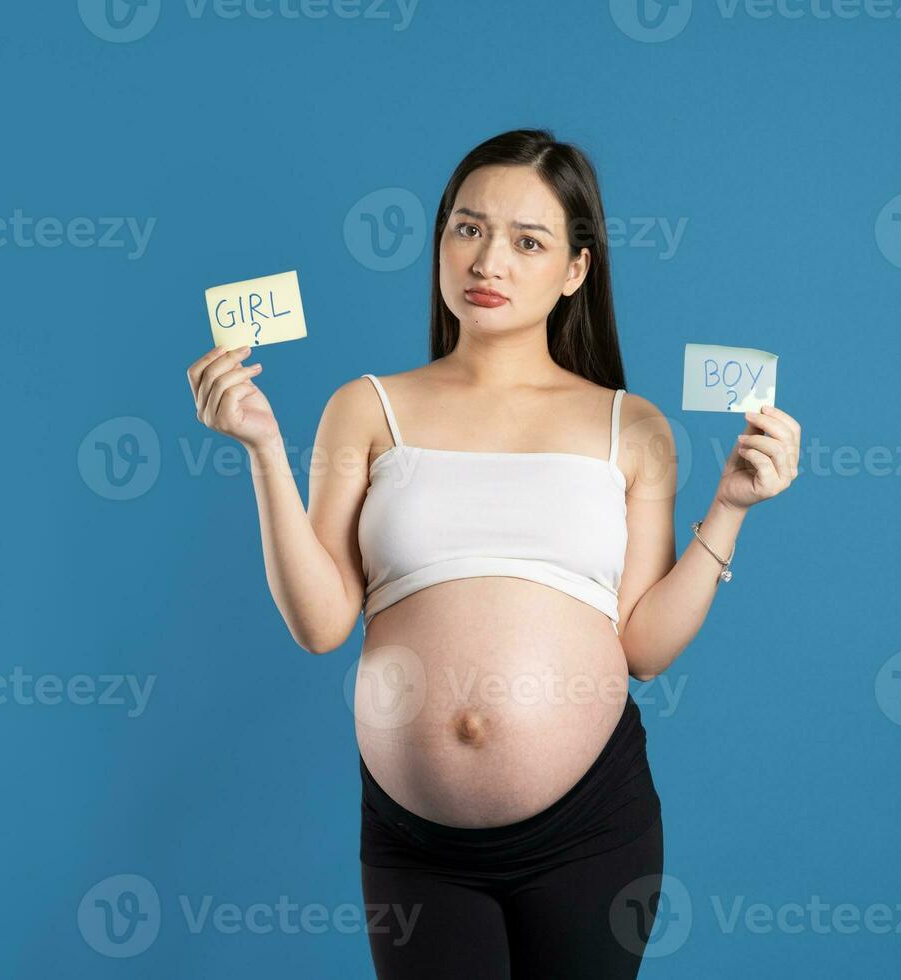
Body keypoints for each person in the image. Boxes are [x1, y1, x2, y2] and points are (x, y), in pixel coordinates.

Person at [186, 128, 802, 978]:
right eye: (468, 229)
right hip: (417, 843)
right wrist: (260, 448)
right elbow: (322, 624)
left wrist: (731, 507)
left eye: (527, 241)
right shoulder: (364, 408)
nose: (489, 262)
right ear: (440, 242)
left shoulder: (635, 426)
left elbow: (646, 649)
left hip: (591, 830)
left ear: (576, 271)